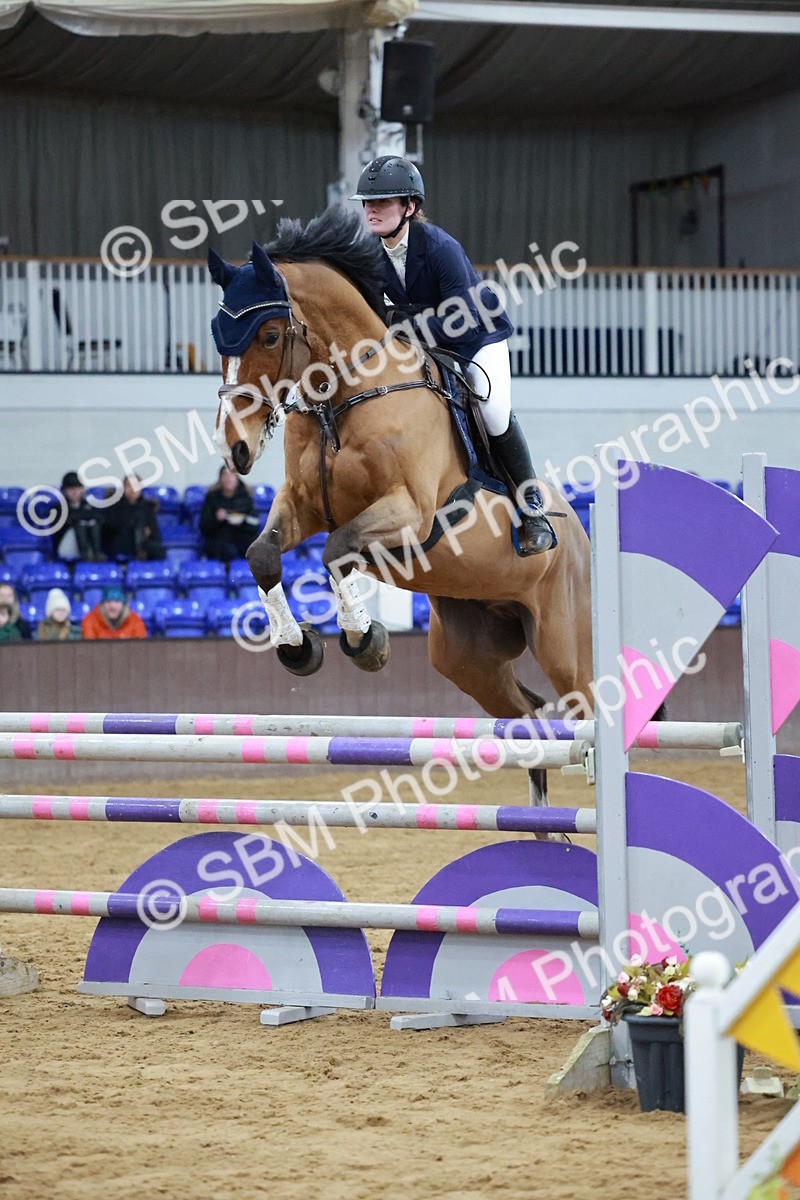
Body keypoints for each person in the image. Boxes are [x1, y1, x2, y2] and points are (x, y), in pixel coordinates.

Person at [351, 155, 555, 556]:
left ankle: (533, 509)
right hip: (424, 343)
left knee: (493, 412)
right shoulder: (370, 255)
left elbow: (458, 320)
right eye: (368, 203)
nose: (372, 210)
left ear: (409, 207)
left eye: (384, 202)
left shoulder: (441, 248)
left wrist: (398, 322)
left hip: (475, 337)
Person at [199, 466, 261, 562]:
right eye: (225, 474)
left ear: (237, 478)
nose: (228, 478)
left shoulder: (246, 498)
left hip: (243, 539)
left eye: (232, 475)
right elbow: (204, 526)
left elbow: (255, 523)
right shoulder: (211, 498)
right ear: (220, 478)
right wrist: (216, 519)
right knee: (226, 550)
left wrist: (242, 521)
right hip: (220, 542)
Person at [101, 474, 165, 561]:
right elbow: (109, 529)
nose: (133, 489)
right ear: (123, 488)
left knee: (159, 550)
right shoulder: (114, 506)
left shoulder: (146, 507)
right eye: (129, 486)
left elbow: (154, 531)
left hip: (143, 543)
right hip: (121, 542)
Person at [54, 471, 103, 561]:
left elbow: (99, 520)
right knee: (80, 525)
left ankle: (96, 554)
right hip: (67, 547)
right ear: (64, 490)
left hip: (89, 545)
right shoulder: (58, 509)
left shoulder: (90, 506)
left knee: (92, 524)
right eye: (71, 489)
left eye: (78, 488)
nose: (75, 492)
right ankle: (84, 557)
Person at [81, 585, 147, 640]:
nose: (112, 606)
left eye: (117, 601)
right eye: (108, 602)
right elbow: (89, 650)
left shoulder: (135, 622)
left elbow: (141, 649)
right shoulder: (90, 621)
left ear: (123, 605)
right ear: (102, 605)